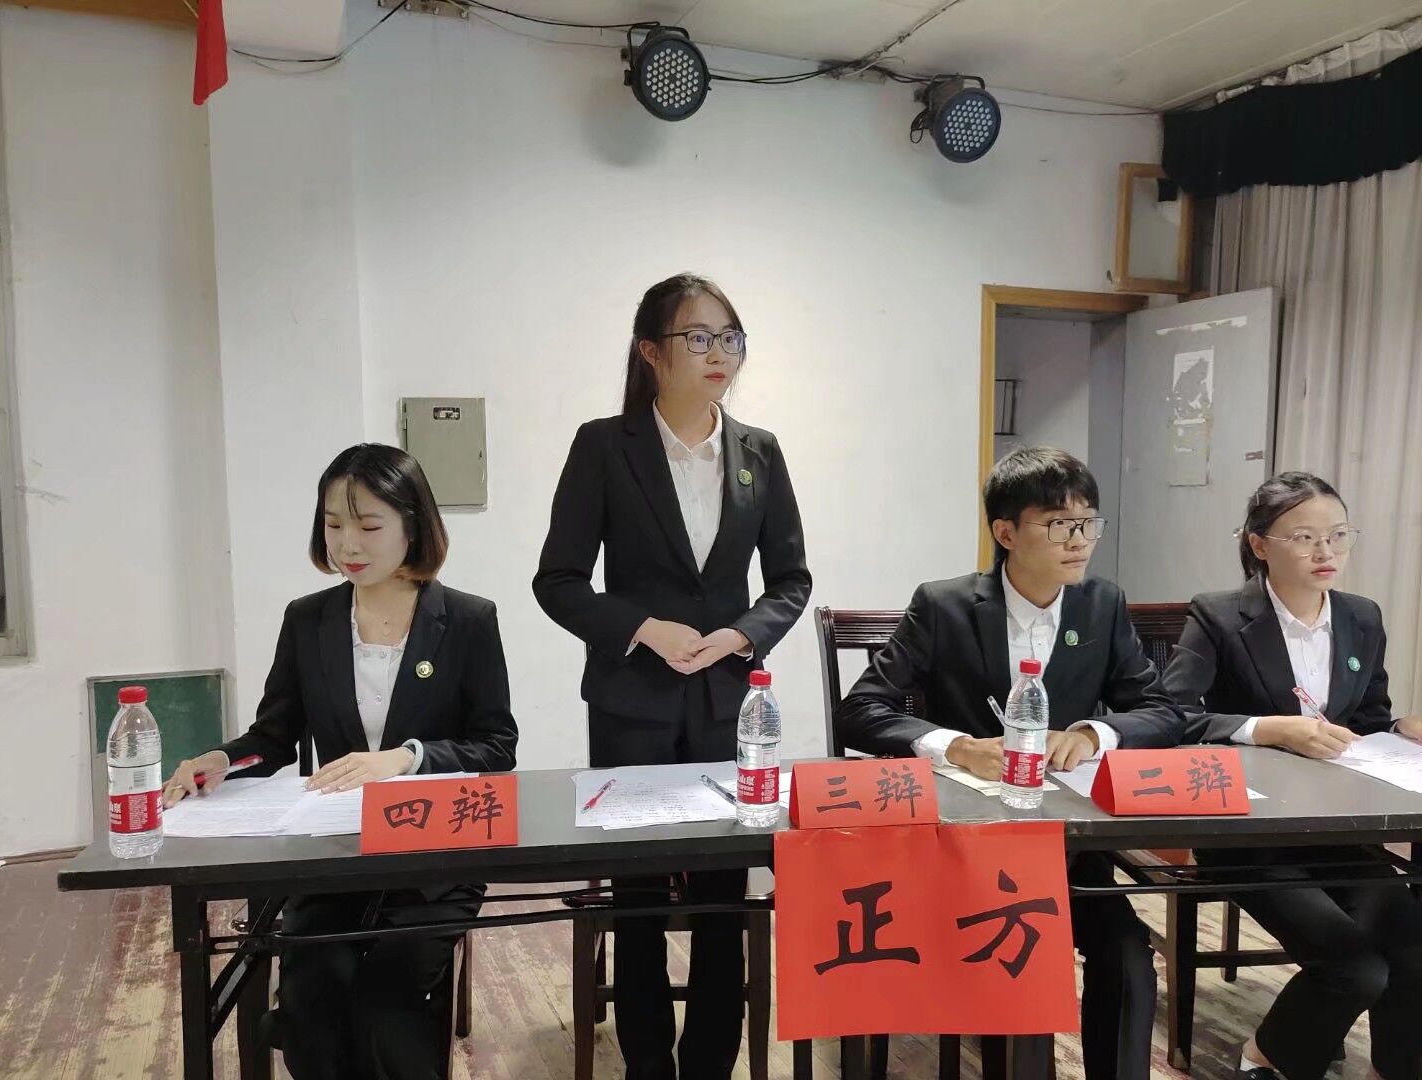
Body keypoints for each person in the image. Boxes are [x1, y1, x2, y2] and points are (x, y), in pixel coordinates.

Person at [163, 443, 518, 1080]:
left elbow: (496, 747)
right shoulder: (309, 620)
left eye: (369, 525)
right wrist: (221, 760)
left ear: (413, 525)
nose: (347, 543)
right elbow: (274, 736)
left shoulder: (467, 620)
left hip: (433, 857)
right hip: (337, 855)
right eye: (333, 524)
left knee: (387, 1004)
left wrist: (406, 759)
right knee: (313, 997)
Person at [533, 273, 811, 1080]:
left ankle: (712, 1063)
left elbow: (790, 580)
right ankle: (648, 1063)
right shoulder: (604, 446)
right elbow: (558, 580)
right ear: (651, 352)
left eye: (730, 337)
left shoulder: (759, 451)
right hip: (633, 703)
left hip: (730, 704)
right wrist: (643, 629)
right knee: (640, 899)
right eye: (699, 336)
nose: (720, 353)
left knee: (724, 896)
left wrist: (740, 635)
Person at [837, 445, 1186, 1080]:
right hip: (964, 848)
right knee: (1019, 956)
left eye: (1088, 523)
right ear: (1006, 533)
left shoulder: (1101, 604)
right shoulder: (943, 605)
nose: (1079, 541)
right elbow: (860, 710)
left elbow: (1162, 709)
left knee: (1129, 958)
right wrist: (954, 745)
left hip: (1070, 847)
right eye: (1058, 525)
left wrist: (1094, 732)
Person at [1164, 471, 1422, 1080]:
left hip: (1339, 831)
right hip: (1251, 834)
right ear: (1260, 545)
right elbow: (1172, 715)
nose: (1325, 551)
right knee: (1354, 968)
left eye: (1338, 535)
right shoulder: (1219, 616)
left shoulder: (1361, 617)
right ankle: (1268, 1056)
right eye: (1304, 537)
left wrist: (1400, 729)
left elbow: (1366, 720)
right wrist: (1268, 728)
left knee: (1414, 953)